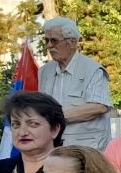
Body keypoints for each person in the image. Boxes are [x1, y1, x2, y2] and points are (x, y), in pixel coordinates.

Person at [38, 17, 113, 150]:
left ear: (72, 42)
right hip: (53, 148)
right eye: (47, 40)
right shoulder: (44, 72)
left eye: (54, 40)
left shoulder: (92, 69)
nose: (49, 45)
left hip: (87, 150)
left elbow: (99, 107)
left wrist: (57, 117)